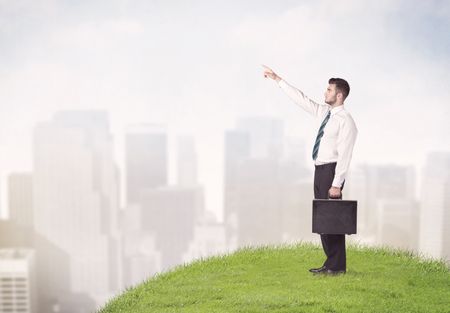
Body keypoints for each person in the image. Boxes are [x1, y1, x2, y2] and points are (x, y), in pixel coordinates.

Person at [262, 65, 358, 275]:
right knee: (323, 220)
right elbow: (301, 99)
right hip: (319, 169)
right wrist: (278, 79)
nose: (325, 93)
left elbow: (345, 155)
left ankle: (337, 266)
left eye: (329, 90)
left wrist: (337, 183)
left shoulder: (346, 122)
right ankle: (330, 263)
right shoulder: (325, 113)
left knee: (333, 221)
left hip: (331, 172)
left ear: (339, 95)